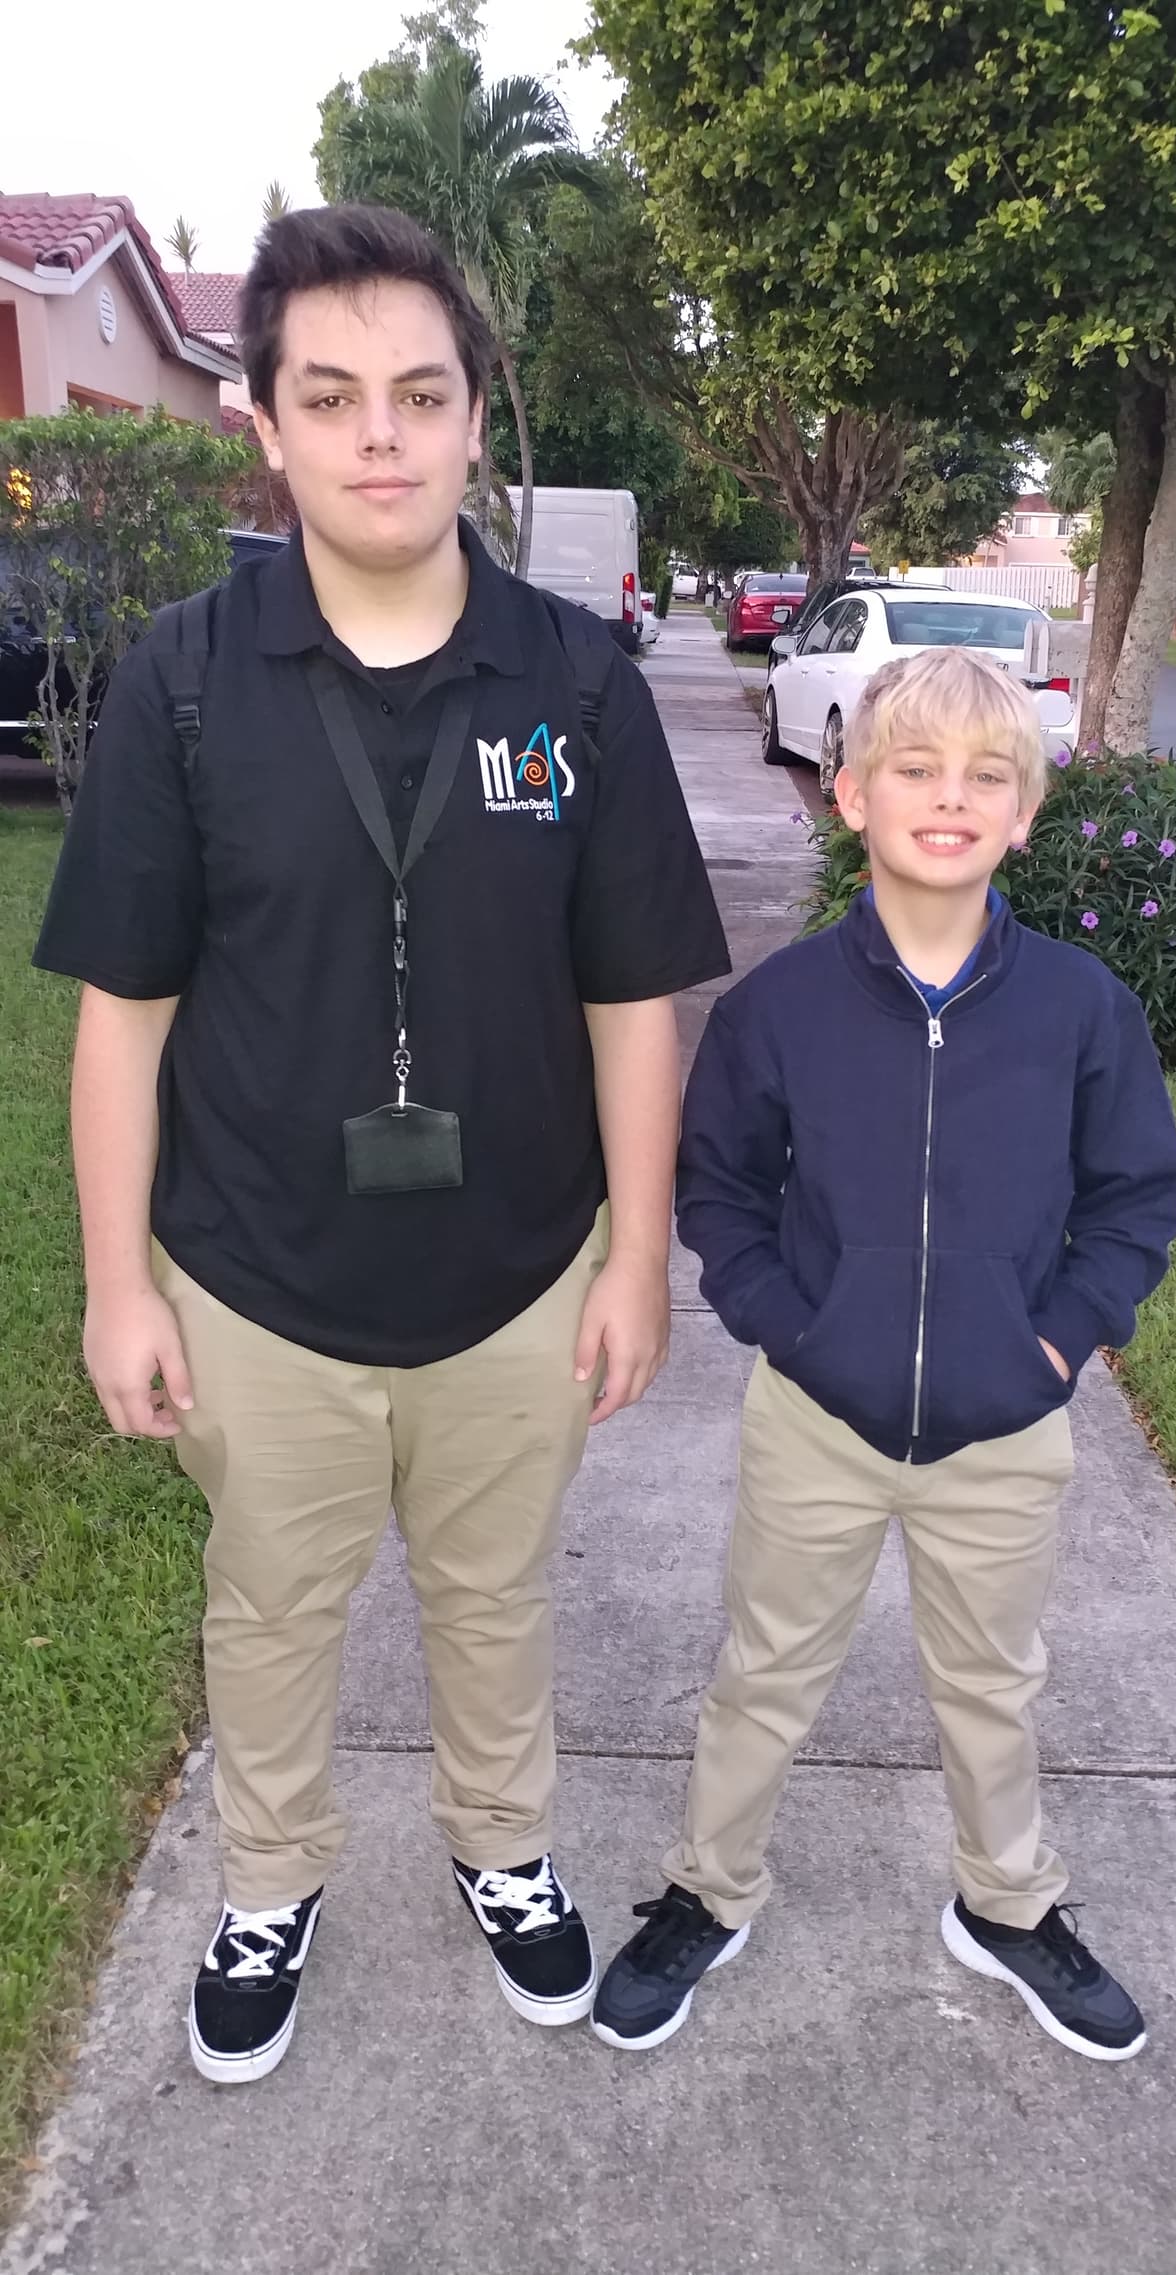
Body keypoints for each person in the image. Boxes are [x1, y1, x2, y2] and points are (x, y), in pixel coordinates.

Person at [33, 203, 729, 2085]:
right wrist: (119, 1289)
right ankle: (274, 1876)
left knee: (496, 1598)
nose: (380, 438)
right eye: (329, 397)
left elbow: (635, 991)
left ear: (475, 413)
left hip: (515, 1272)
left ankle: (505, 1850)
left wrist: (636, 1255)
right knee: (270, 1608)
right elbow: (127, 1010)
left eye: (420, 394)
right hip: (257, 1274)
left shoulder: (575, 687)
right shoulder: (184, 682)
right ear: (263, 420)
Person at [592, 647, 1176, 2062]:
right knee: (766, 1668)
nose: (950, 797)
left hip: (1004, 1421)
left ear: (1026, 815)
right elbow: (720, 1189)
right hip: (818, 1416)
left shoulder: (1081, 1012)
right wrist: (790, 1326)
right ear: (849, 795)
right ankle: (708, 1888)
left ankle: (1007, 1903)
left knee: (994, 1681)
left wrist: (1053, 1346)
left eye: (989, 775)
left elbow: (1135, 1196)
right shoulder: (782, 1008)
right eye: (914, 768)